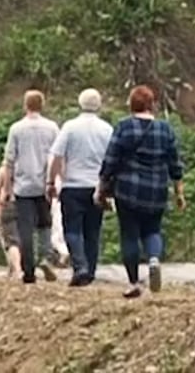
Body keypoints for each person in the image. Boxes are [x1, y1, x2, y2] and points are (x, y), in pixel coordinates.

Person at [100, 84, 186, 299]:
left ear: (132, 105)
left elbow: (111, 159)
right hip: (157, 190)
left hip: (128, 190)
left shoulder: (124, 127)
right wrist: (179, 192)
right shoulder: (165, 129)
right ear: (152, 105)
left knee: (129, 234)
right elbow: (175, 163)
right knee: (153, 230)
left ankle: (133, 282)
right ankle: (154, 259)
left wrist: (102, 186)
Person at [51, 88, 115, 286]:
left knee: (72, 229)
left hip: (73, 184)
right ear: (99, 105)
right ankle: (91, 270)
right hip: (97, 185)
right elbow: (112, 158)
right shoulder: (107, 129)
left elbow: (57, 155)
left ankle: (80, 266)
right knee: (93, 231)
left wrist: (52, 180)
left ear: (80, 103)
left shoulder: (70, 127)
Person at [3, 92, 62, 285]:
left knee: (25, 230)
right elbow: (57, 156)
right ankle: (45, 257)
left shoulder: (16, 128)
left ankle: (28, 271)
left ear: (25, 105)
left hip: (23, 186)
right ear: (42, 105)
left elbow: (9, 161)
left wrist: (7, 189)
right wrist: (56, 181)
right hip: (45, 183)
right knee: (45, 224)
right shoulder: (52, 127)